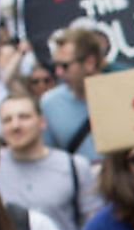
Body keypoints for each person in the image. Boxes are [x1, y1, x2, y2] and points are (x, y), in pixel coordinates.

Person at [0, 92, 101, 230]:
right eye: (7, 120)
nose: (15, 126)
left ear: (42, 122)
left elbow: (93, 224)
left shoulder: (75, 166)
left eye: (24, 117)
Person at [41, 29, 103, 161]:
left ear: (89, 63)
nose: (58, 73)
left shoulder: (122, 94)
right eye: (55, 66)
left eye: (65, 66)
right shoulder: (49, 103)